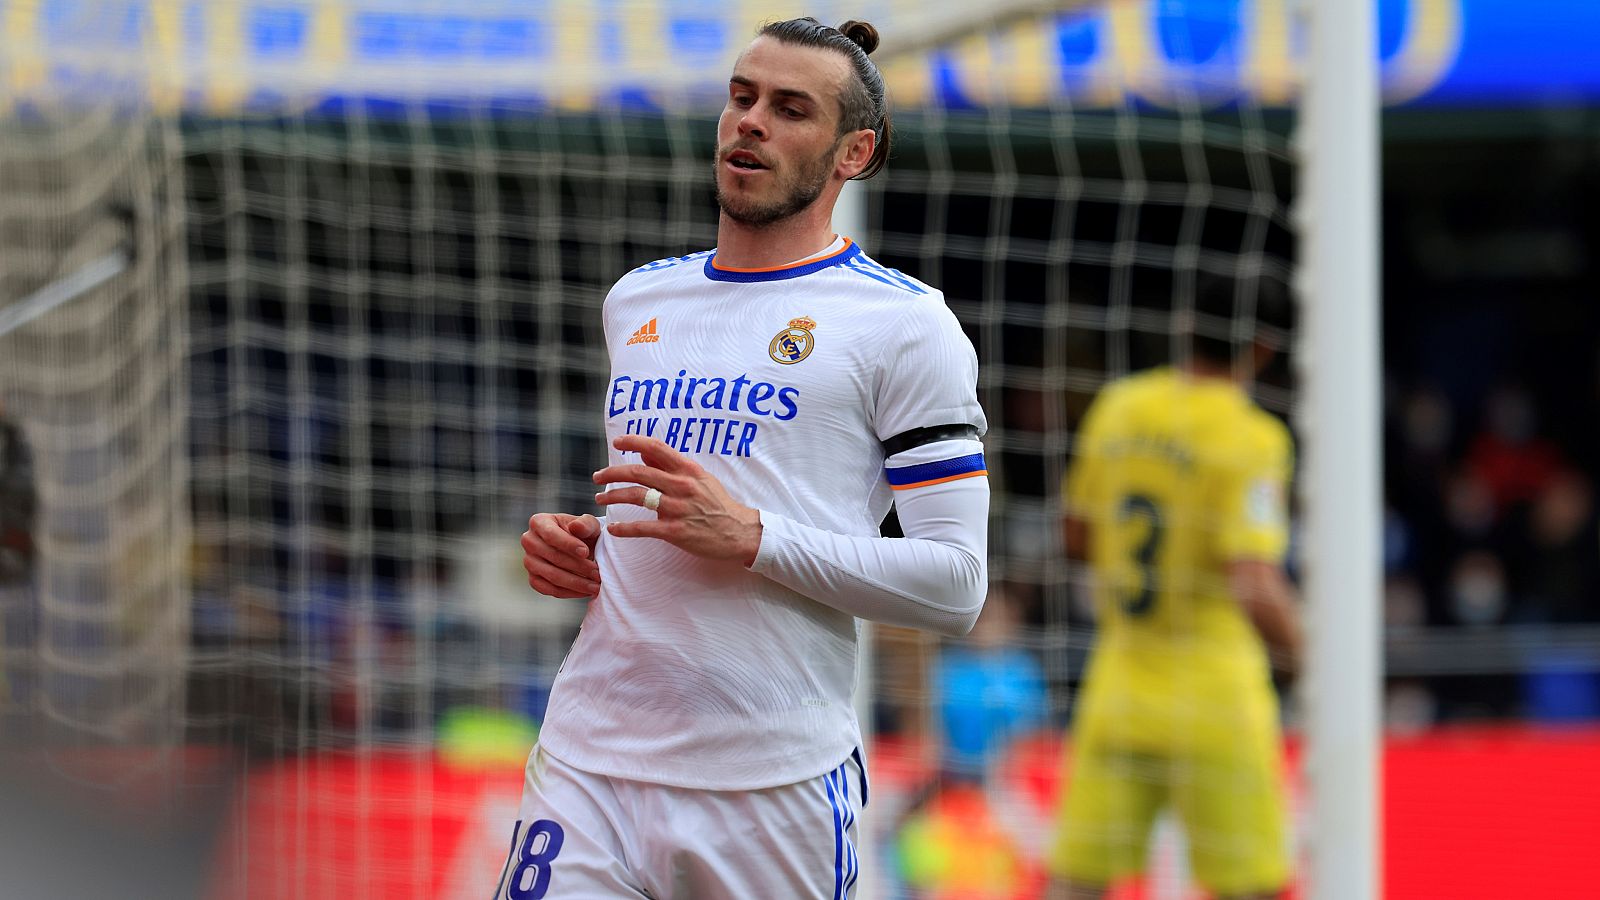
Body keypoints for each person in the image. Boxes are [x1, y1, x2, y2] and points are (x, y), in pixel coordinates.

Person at [503, 17, 989, 900]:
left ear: (854, 152)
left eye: (790, 108)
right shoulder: (639, 299)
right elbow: (650, 513)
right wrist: (579, 544)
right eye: (741, 97)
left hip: (775, 787)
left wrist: (754, 536)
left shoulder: (907, 326)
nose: (750, 122)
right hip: (589, 761)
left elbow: (956, 585)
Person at [1046, 277, 1303, 900]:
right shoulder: (1253, 438)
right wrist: (1308, 656)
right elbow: (1253, 580)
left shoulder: (1121, 407)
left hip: (1121, 686)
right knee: (1255, 888)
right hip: (1216, 695)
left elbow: (1075, 535)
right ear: (1264, 350)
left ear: (1185, 327)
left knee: (1077, 885)